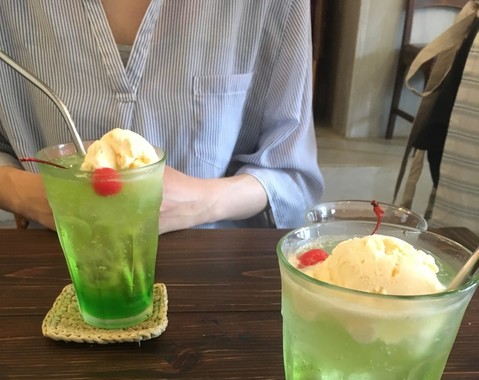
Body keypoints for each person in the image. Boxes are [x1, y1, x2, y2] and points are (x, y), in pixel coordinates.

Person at [0, 0, 323, 232]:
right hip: (56, 263)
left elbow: (293, 180)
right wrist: (28, 195)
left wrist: (199, 202)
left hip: (211, 268)